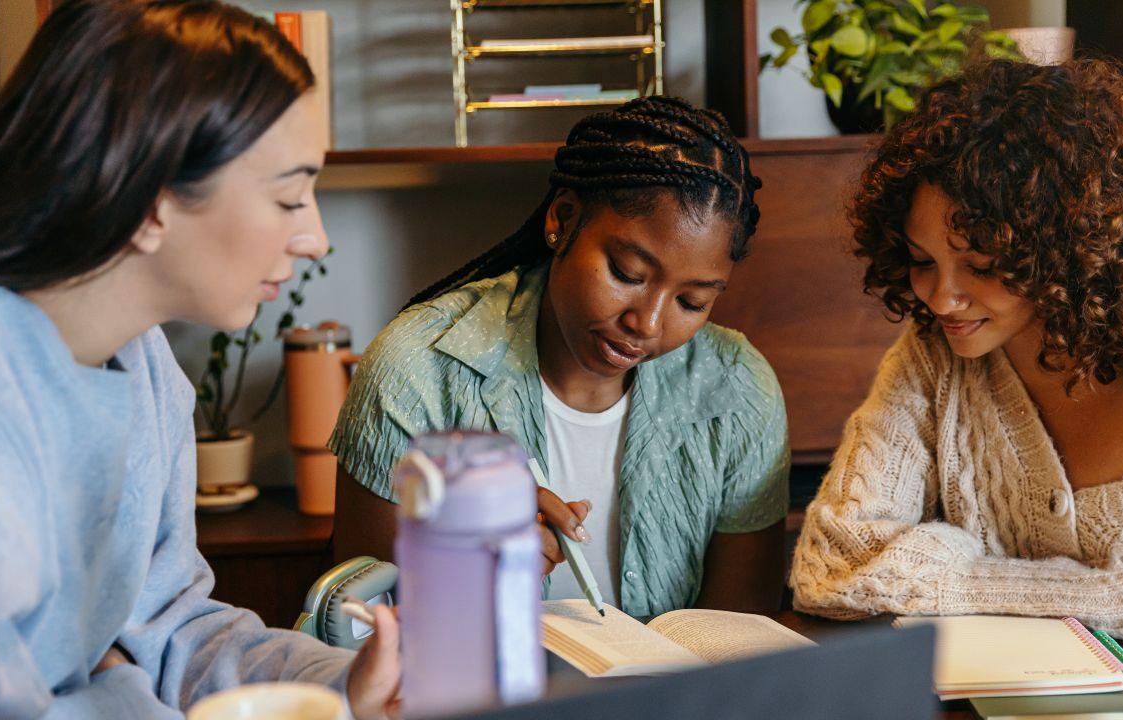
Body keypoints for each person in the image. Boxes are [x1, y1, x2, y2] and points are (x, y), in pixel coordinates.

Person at [0, 1, 398, 716]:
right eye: (291, 195)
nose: (315, 239)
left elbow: (171, 631)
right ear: (151, 200)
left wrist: (344, 681)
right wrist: (114, 679)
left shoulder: (145, 366)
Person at [789, 58, 1123, 640]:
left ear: (1065, 246)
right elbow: (831, 568)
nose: (942, 299)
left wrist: (942, 567)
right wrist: (1112, 600)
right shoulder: (933, 359)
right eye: (921, 261)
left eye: (982, 266)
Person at [329, 96, 790, 618]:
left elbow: (737, 632)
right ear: (563, 219)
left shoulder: (735, 388)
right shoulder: (419, 369)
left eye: (693, 301)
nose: (649, 323)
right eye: (627, 274)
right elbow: (358, 624)